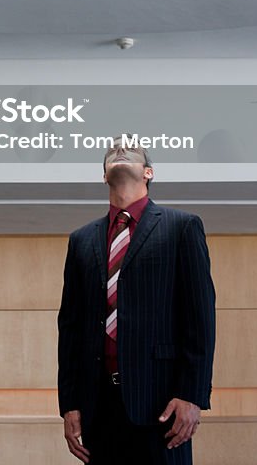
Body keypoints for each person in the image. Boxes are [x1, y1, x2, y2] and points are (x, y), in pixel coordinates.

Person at [57, 136, 215, 464]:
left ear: (148, 173)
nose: (119, 150)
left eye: (130, 151)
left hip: (162, 406)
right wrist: (70, 404)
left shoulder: (182, 227)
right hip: (97, 408)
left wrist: (191, 395)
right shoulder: (81, 240)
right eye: (112, 151)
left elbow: (200, 319)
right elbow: (70, 328)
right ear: (104, 176)